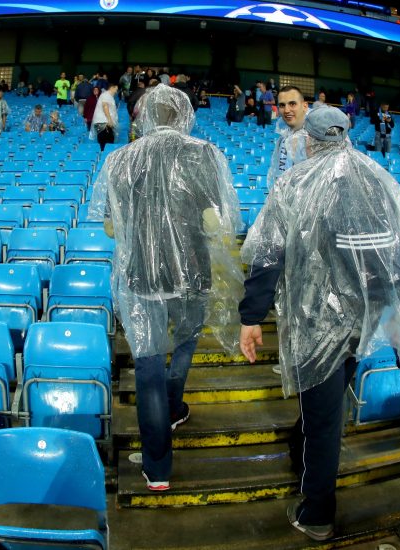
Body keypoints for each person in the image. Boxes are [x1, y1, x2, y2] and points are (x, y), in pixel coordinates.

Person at [238, 106, 400, 541]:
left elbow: (267, 254)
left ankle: (317, 513)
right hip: (363, 319)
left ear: (311, 139)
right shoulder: (378, 178)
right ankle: (300, 450)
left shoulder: (294, 182)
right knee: (324, 407)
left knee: (323, 421)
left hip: (316, 321)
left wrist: (250, 318)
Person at [89, 84, 242, 493]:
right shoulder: (204, 154)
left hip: (142, 275)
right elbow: (215, 224)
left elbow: (108, 227)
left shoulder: (119, 159)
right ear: (185, 114)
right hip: (192, 274)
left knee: (148, 365)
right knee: (186, 341)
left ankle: (158, 467)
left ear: (144, 116)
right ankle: (175, 406)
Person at [268, 86, 309, 187]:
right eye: (282, 105)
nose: (286, 110)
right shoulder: (283, 139)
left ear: (305, 106)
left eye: (292, 104)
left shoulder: (319, 136)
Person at [91, 83, 119, 150]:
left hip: (104, 123)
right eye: (116, 89)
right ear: (112, 87)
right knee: (107, 143)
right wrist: (109, 120)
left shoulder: (108, 96)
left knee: (107, 143)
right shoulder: (106, 95)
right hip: (104, 123)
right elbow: (105, 106)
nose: (116, 91)